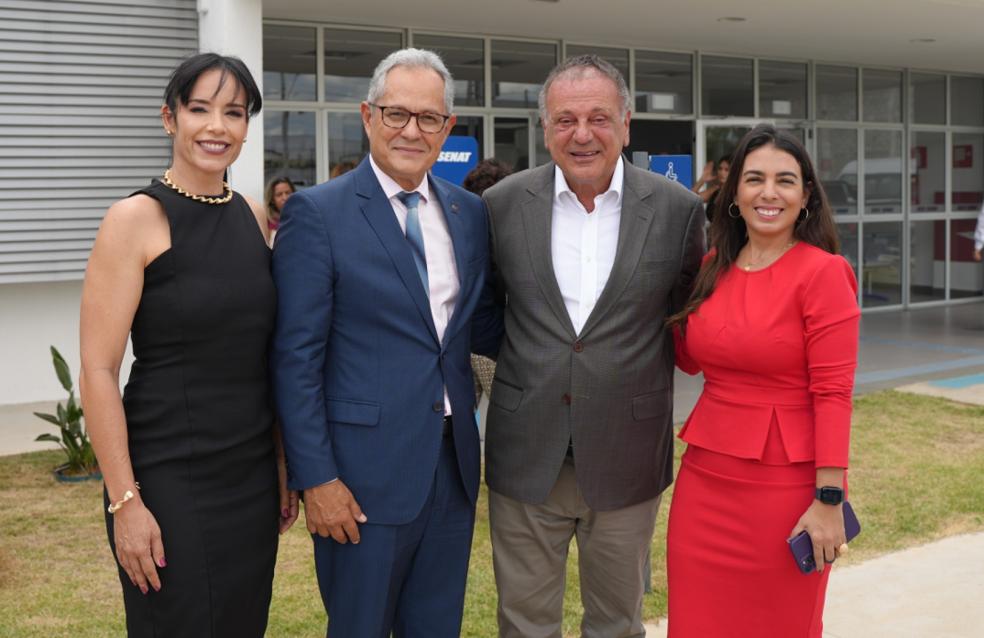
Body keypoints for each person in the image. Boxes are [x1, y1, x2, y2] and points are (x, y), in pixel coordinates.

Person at [271, 48, 501, 637]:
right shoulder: (317, 213)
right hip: (358, 481)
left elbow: (468, 331)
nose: (411, 131)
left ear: (448, 127)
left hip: (451, 471)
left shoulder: (468, 213)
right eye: (397, 113)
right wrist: (317, 478)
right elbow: (295, 360)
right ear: (368, 116)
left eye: (429, 118)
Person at [482, 54, 704, 637]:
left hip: (627, 454)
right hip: (526, 452)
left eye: (599, 118)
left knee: (617, 624)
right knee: (524, 624)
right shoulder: (501, 205)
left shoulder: (678, 211)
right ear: (545, 128)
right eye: (566, 120)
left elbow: (686, 317)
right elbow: (487, 313)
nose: (582, 134)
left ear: (626, 125)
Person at [78, 53, 298, 638]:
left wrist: (280, 462)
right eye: (200, 109)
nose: (217, 127)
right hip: (166, 478)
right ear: (169, 118)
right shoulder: (134, 219)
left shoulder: (253, 215)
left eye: (234, 112)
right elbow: (98, 370)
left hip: (249, 476)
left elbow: (262, 355)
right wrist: (125, 502)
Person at [666, 124, 860, 637]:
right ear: (734, 194)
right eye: (754, 179)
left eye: (784, 180)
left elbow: (834, 394)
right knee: (696, 623)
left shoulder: (824, 273)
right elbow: (688, 359)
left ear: (806, 196)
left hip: (785, 491)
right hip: (704, 483)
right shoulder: (713, 267)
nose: (768, 193)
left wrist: (829, 501)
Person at [462, 158, 514, 403]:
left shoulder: (461, 230)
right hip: (493, 347)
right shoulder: (502, 236)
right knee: (509, 414)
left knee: (459, 416)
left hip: (462, 345)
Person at [692, 154, 732, 222]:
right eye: (720, 169)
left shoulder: (737, 191)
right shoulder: (715, 190)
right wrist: (702, 179)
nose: (722, 172)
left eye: (726, 170)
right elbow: (692, 199)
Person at [264, 175, 295, 241]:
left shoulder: (301, 217)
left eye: (288, 193)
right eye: (279, 194)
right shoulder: (266, 222)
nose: (285, 198)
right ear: (272, 199)